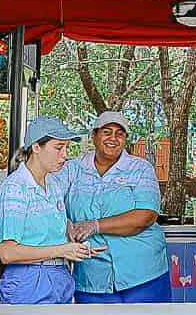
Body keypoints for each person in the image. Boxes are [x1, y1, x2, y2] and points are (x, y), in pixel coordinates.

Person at [58, 111, 170, 304]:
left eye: (119, 134)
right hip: (92, 276)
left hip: (142, 273)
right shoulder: (71, 169)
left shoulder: (140, 168)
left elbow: (146, 216)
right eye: (107, 132)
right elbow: (50, 201)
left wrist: (95, 225)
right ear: (94, 136)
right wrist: (65, 223)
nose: (113, 138)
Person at [0, 117, 98, 304]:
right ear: (36, 147)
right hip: (29, 282)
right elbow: (7, 253)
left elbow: (55, 236)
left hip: (60, 278)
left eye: (66, 148)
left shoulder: (54, 184)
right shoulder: (15, 188)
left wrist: (77, 248)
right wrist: (63, 250)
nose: (65, 155)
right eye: (58, 148)